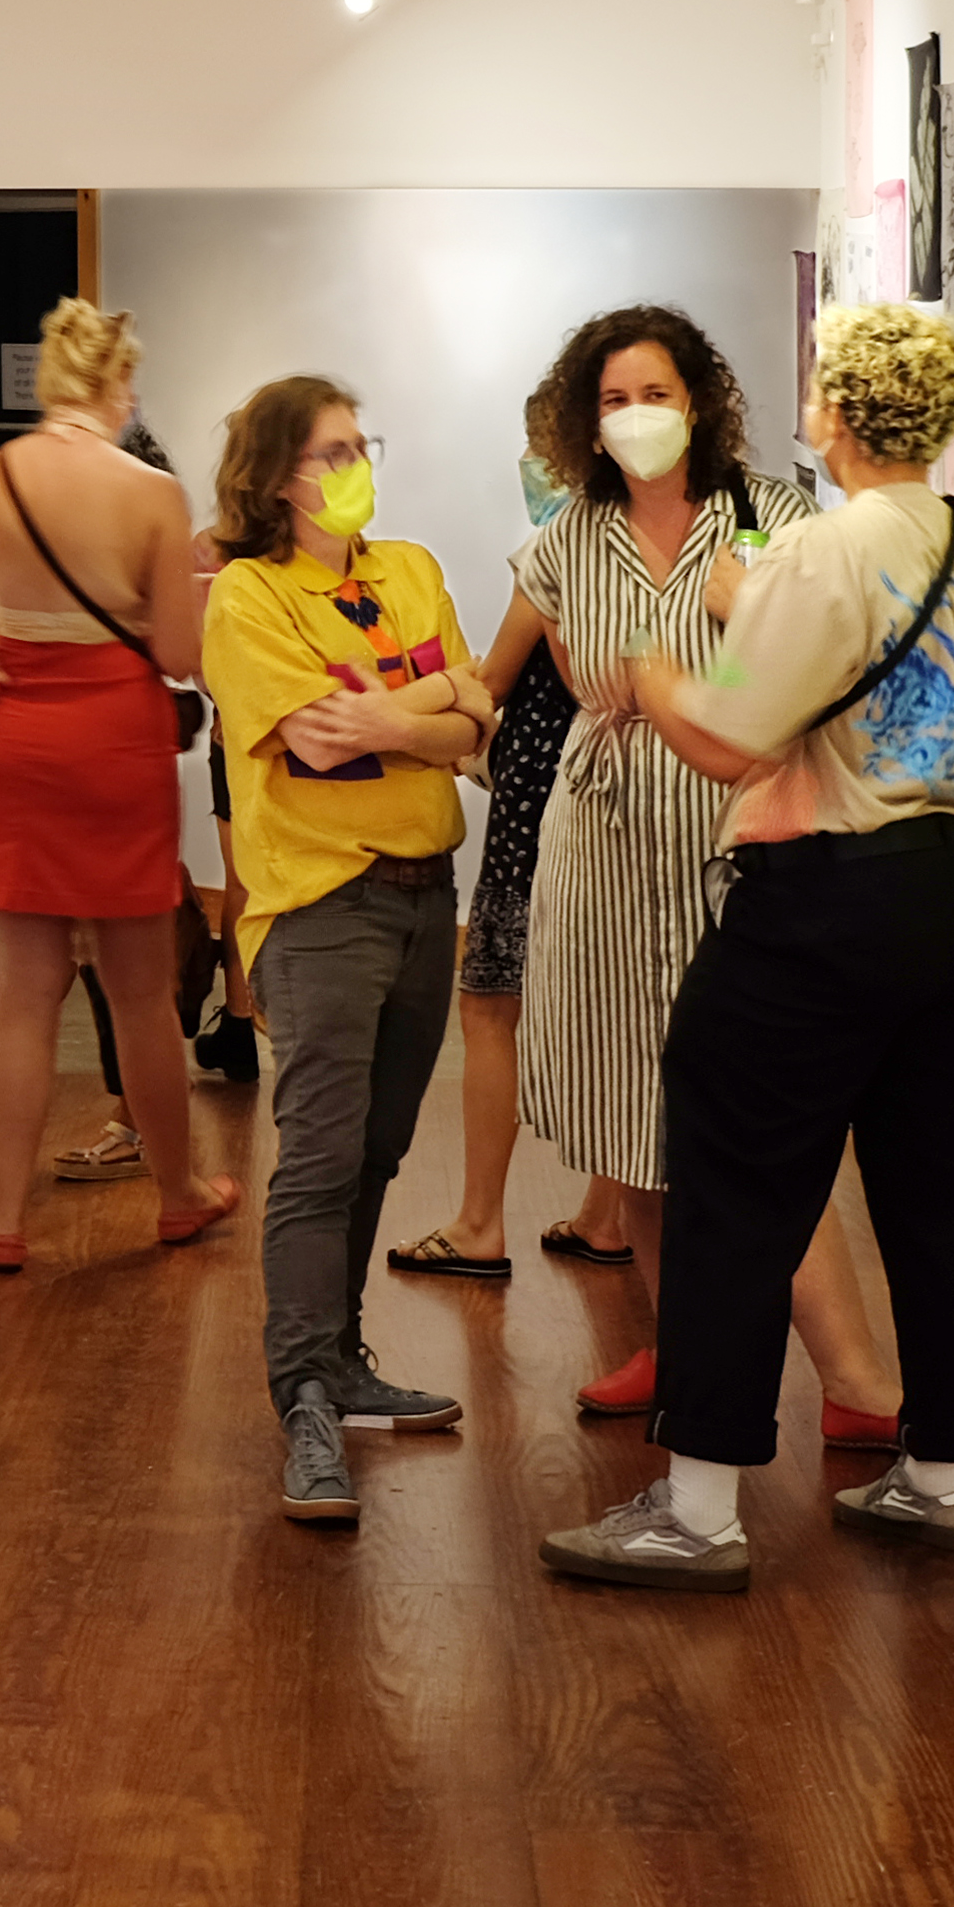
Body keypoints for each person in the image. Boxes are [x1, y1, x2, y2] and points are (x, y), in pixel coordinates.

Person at [542, 300, 954, 1591]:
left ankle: (701, 1505)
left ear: (836, 414)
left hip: (830, 904)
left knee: (734, 1187)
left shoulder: (830, 549)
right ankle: (943, 1476)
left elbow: (731, 738)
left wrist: (657, 679)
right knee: (939, 1197)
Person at [498, 309, 908, 1444]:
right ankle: (681, 1350)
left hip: (735, 842)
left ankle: (858, 1381)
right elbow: (534, 676)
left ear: (702, 400)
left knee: (755, 1126)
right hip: (601, 848)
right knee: (630, 1107)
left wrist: (713, 648)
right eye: (615, 399)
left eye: (657, 393)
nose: (637, 417)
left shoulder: (774, 519)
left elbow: (819, 673)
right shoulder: (569, 535)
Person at [0, 300, 232, 1267]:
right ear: (118, 387)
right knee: (141, 993)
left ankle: (8, 1220)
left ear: (46, 383)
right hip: (114, 733)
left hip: (11, 726)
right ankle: (179, 1194)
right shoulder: (152, 493)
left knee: (26, 990)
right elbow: (182, 657)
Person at [199, 375, 490, 1525]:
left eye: (361, 444)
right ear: (278, 477)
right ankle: (305, 1399)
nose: (353, 463)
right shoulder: (249, 599)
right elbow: (320, 744)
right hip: (319, 907)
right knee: (318, 1159)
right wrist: (436, 708)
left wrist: (400, 715)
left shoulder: (408, 570)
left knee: (377, 1148)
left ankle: (346, 1356)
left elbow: (485, 729)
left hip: (428, 897)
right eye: (332, 450)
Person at [387, 438, 580, 1284]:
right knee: (606, 1010)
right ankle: (609, 1212)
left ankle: (479, 1223)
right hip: (601, 798)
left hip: (538, 798)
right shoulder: (654, 543)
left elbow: (490, 679)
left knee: (490, 1004)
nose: (528, 464)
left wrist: (393, 715)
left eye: (539, 447)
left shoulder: (555, 550)